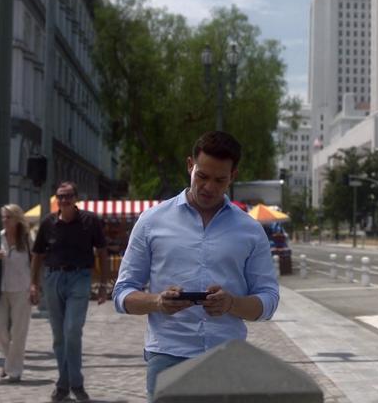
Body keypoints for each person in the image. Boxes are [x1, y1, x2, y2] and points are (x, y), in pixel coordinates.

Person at [113, 131, 280, 401]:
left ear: (233, 176)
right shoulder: (151, 221)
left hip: (228, 357)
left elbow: (269, 300)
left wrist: (231, 304)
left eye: (220, 180)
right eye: (202, 176)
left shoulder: (250, 230)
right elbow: (122, 294)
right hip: (167, 355)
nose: (209, 187)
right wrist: (157, 301)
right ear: (190, 165)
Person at [30, 181, 108, 402]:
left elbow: (102, 251)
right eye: (60, 197)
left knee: (72, 330)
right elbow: (37, 255)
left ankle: (76, 383)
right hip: (53, 278)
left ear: (75, 199)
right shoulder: (48, 222)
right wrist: (34, 284)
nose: (64, 200)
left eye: (68, 196)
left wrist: (103, 284)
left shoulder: (90, 221)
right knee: (58, 336)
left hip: (79, 278)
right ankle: (64, 384)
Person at [0, 204, 32, 383]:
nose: (5, 220)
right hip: (1, 289)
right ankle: (9, 360)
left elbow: (36, 262)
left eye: (8, 217)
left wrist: (36, 285)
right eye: (3, 217)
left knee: (18, 332)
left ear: (17, 219)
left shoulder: (27, 239)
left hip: (22, 289)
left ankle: (14, 371)